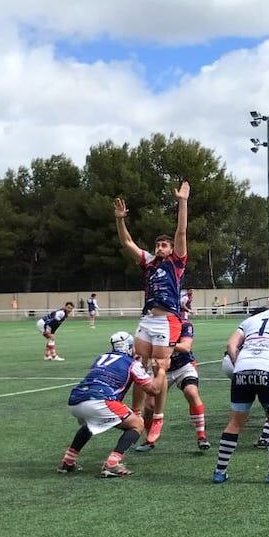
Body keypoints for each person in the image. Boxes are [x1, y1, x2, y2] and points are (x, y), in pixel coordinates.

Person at [114, 181, 189, 440]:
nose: (161, 248)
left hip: (167, 320)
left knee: (160, 367)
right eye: (158, 245)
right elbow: (127, 242)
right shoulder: (149, 263)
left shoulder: (175, 263)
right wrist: (120, 220)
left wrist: (182, 202)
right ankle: (135, 411)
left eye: (164, 245)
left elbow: (181, 232)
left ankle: (157, 417)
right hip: (147, 319)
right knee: (137, 365)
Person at [212, 290, 269, 485]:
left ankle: (220, 471)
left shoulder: (252, 319)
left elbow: (230, 344)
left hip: (243, 370)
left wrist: (239, 366)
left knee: (235, 422)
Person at [56, 331, 161, 477]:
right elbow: (154, 389)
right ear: (129, 347)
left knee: (92, 423)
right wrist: (160, 371)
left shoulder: (101, 358)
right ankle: (112, 463)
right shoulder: (132, 363)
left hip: (76, 399)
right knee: (137, 424)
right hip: (100, 400)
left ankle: (68, 461)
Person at [135, 319, 211, 452]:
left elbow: (185, 347)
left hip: (184, 366)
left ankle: (201, 437)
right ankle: (149, 440)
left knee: (191, 392)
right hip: (161, 369)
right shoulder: (154, 325)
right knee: (149, 406)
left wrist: (164, 344)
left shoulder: (184, 324)